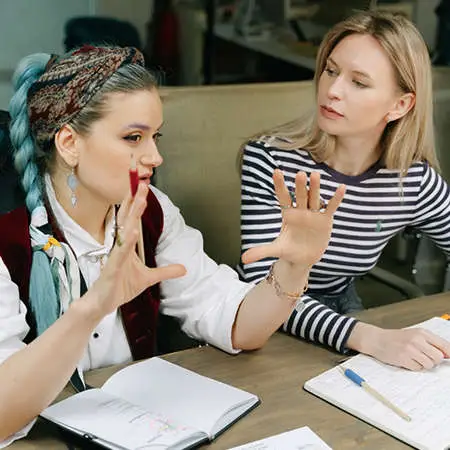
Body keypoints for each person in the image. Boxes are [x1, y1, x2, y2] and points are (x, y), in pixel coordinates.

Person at [0, 46, 344, 445]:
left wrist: (295, 266)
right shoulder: (8, 240)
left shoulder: (154, 213)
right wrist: (94, 307)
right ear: (69, 143)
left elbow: (239, 326)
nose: (156, 156)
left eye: (155, 136)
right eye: (133, 137)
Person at [239, 11, 450, 371]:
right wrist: (369, 337)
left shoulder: (412, 181)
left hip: (345, 316)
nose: (332, 90)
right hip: (263, 323)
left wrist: (367, 335)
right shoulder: (269, 159)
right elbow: (261, 289)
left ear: (400, 105)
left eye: (359, 82)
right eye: (331, 71)